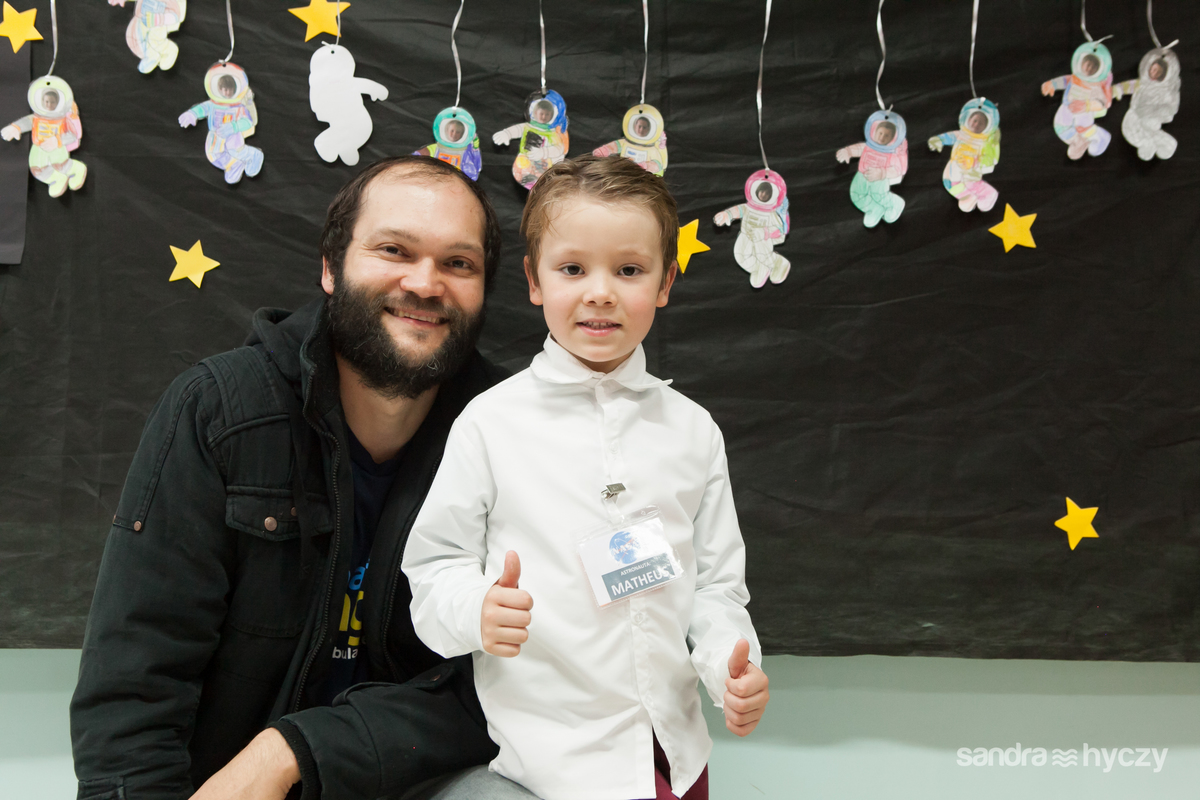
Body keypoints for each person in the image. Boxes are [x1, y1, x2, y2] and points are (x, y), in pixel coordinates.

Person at [70, 155, 509, 800]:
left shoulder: (513, 437)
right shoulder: (217, 412)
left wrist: (294, 750)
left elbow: (512, 686)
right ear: (331, 268)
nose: (425, 283)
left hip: (413, 780)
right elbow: (135, 683)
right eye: (394, 250)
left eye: (458, 263)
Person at [403, 155, 771, 800]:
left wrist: (729, 667)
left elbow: (716, 588)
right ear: (534, 279)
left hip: (674, 757)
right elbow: (434, 568)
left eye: (629, 270)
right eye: (573, 269)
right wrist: (476, 609)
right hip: (550, 764)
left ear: (665, 281)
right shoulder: (490, 423)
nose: (600, 292)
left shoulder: (693, 430)